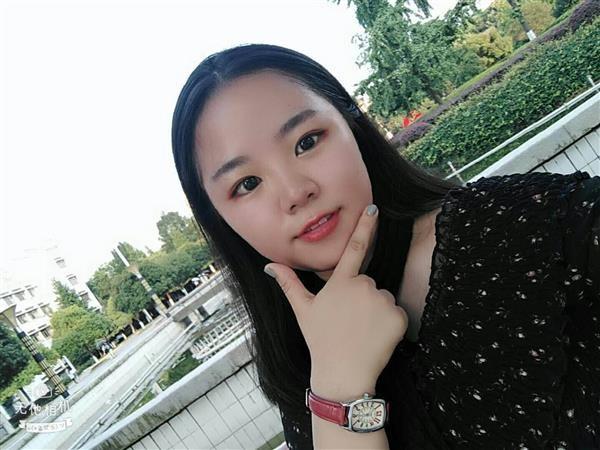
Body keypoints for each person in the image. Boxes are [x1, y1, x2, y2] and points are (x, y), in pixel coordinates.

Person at [171, 44, 599, 449]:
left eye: (307, 142)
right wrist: (339, 383)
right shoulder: (298, 365)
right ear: (220, 219)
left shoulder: (524, 228)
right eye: (247, 184)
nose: (296, 193)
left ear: (353, 125)